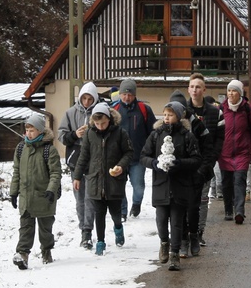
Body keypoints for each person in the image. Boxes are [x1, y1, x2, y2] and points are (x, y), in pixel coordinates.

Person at [140, 101, 201, 271]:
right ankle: (164, 243)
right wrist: (154, 163)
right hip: (161, 185)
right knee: (161, 219)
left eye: (171, 115)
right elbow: (143, 156)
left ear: (179, 116)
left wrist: (179, 163)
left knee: (176, 222)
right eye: (165, 114)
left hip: (180, 185)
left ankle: (175, 254)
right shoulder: (155, 135)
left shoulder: (187, 136)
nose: (167, 118)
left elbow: (196, 159)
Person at [72, 103, 134, 255]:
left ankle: (118, 227)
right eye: (97, 123)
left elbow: (129, 153)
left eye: (104, 123)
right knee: (98, 213)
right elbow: (83, 156)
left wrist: (120, 166)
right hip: (95, 180)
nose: (100, 126)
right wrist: (77, 176)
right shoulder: (89, 134)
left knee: (114, 212)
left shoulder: (120, 133)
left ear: (109, 119)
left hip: (114, 181)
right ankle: (100, 241)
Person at [10, 113, 62, 270]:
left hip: (44, 196)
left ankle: (46, 251)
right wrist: (13, 192)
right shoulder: (21, 149)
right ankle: (22, 254)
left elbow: (55, 173)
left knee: (45, 229)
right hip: (26, 197)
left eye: (32, 130)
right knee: (25, 226)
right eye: (26, 130)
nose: (28, 133)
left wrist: (51, 190)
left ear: (40, 131)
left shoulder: (49, 150)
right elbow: (16, 171)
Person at [168, 87, 210, 258]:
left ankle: (194, 235)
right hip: (176, 177)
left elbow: (208, 147)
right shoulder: (166, 127)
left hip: (195, 174)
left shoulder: (196, 124)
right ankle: (183, 240)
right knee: (179, 211)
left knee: (193, 209)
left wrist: (201, 170)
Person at [57, 81, 98, 249]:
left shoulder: (99, 112)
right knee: (79, 198)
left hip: (94, 161)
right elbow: (61, 135)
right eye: (84, 98)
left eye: (90, 99)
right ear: (79, 98)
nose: (87, 102)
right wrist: (75, 134)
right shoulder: (70, 113)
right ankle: (83, 229)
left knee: (90, 198)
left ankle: (88, 231)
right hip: (75, 161)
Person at [186, 74, 224, 248]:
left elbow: (219, 140)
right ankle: (185, 231)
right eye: (192, 86)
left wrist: (210, 161)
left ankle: (198, 232)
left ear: (204, 89)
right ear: (188, 88)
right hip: (185, 163)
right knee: (185, 200)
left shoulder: (216, 113)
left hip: (205, 163)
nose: (195, 90)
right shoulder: (182, 110)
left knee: (201, 199)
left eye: (198, 87)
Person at [218, 79, 251, 224]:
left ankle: (239, 211)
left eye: (234, 91)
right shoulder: (221, 109)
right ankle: (228, 210)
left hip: (242, 151)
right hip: (225, 152)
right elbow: (215, 130)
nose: (231, 94)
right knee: (226, 183)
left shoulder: (247, 109)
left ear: (240, 93)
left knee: (239, 180)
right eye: (229, 90)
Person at [112, 79, 157, 221]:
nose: (127, 97)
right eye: (124, 94)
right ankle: (123, 210)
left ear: (134, 95)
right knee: (119, 186)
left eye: (130, 94)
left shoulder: (144, 109)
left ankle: (136, 204)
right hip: (119, 157)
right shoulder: (114, 110)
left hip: (138, 156)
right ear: (120, 94)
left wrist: (150, 149)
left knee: (139, 186)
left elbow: (152, 131)